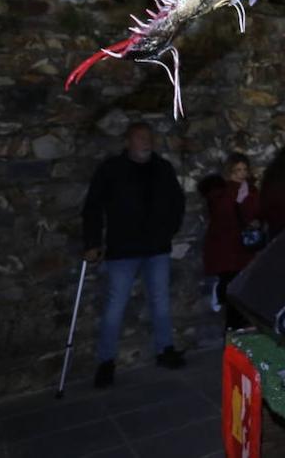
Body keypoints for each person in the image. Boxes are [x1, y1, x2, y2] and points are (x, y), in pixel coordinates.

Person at [81, 122, 186, 388]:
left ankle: (165, 349)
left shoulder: (161, 169)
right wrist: (92, 241)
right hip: (123, 249)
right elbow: (93, 206)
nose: (145, 142)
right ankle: (106, 361)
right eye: (140, 138)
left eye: (148, 138)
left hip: (156, 248)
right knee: (115, 305)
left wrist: (168, 231)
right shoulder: (112, 170)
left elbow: (177, 202)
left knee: (161, 300)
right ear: (129, 141)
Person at [197, 153, 261, 330]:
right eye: (237, 170)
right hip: (227, 249)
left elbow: (254, 214)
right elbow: (222, 217)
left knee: (242, 292)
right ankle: (233, 330)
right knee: (233, 293)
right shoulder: (220, 193)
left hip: (243, 249)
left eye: (244, 170)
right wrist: (238, 199)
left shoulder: (250, 190)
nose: (241, 174)